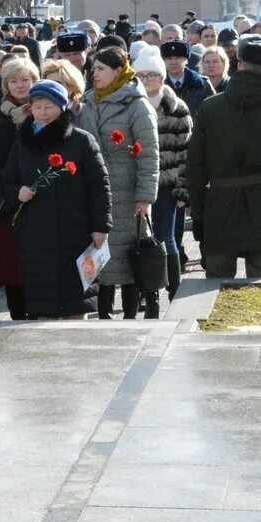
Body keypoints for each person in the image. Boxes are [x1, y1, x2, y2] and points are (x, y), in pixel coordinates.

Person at [1, 80, 112, 318]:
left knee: (76, 304)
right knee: (43, 305)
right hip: (35, 236)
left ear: (62, 107)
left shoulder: (81, 141)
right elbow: (6, 181)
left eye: (49, 106)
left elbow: (99, 186)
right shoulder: (24, 141)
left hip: (75, 231)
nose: (43, 112)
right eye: (38, 106)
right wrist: (17, 192)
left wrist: (100, 227)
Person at [78, 46, 161, 318]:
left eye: (101, 69)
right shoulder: (89, 101)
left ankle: (130, 314)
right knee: (100, 253)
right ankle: (102, 314)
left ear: (118, 70)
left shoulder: (136, 104)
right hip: (94, 190)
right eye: (93, 69)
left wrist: (144, 197)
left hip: (126, 193)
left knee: (127, 256)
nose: (95, 74)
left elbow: (149, 154)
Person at [188, 34, 261, 278]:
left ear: (238, 64)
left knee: (215, 288)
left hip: (219, 205)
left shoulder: (211, 107)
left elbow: (196, 168)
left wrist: (197, 215)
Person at [0, 58, 40, 319]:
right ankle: (16, 316)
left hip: (39, 199)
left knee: (37, 264)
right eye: (13, 80)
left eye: (25, 79)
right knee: (12, 267)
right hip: (6, 203)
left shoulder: (44, 112)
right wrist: (8, 189)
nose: (20, 85)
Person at [133, 48, 191, 307]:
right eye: (141, 75)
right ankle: (148, 292)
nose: (146, 81)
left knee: (167, 238)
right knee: (141, 238)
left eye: (152, 75)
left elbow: (186, 153)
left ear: (162, 77)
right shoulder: (132, 106)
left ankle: (175, 291)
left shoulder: (177, 109)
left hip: (167, 184)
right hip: (139, 183)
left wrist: (182, 189)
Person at [161, 39, 214, 117]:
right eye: (169, 59)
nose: (173, 62)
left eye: (178, 58)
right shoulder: (158, 85)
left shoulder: (202, 84)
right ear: (164, 61)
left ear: (186, 60)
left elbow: (213, 111)